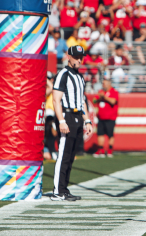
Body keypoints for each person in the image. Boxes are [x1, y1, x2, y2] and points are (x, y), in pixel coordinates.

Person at [52, 45, 93, 201]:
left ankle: (64, 188)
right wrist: (61, 120)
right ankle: (58, 190)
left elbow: (81, 101)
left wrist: (87, 120)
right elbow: (56, 100)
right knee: (64, 154)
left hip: (77, 116)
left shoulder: (80, 77)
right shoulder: (63, 74)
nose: (79, 60)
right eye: (76, 57)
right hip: (67, 116)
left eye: (81, 57)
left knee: (71, 156)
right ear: (68, 56)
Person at [93, 78, 119, 158]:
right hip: (101, 117)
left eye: (104, 83)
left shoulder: (114, 92)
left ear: (108, 83)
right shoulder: (101, 92)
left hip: (110, 117)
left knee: (110, 134)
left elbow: (113, 101)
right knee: (100, 134)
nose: (103, 85)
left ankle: (110, 149)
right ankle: (100, 149)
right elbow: (94, 100)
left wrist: (104, 97)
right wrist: (100, 97)